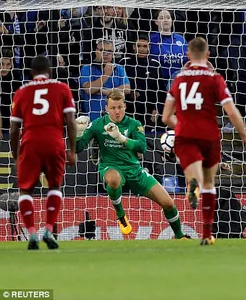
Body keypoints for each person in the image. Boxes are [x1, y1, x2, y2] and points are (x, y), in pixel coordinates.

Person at [161, 37, 246, 246]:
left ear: (187, 56)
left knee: (194, 178)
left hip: (185, 135)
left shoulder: (179, 80)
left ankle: (192, 184)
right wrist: (244, 135)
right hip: (209, 135)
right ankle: (206, 234)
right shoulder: (215, 79)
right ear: (208, 55)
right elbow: (231, 111)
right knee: (210, 184)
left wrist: (182, 126)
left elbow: (166, 117)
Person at [75, 90, 189, 240]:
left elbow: (142, 147)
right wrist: (77, 134)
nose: (117, 111)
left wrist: (121, 138)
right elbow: (78, 148)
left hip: (135, 171)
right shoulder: (97, 125)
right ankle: (121, 215)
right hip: (111, 167)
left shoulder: (134, 124)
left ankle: (179, 236)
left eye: (120, 107)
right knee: (114, 179)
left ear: (125, 106)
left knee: (168, 203)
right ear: (107, 108)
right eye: (113, 108)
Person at [9, 56, 77, 250]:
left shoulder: (22, 91)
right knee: (54, 186)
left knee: (25, 190)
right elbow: (71, 121)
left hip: (31, 142)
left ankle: (31, 233)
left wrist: (16, 154)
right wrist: (72, 149)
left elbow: (14, 129)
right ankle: (48, 229)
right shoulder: (62, 88)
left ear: (31, 73)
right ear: (51, 71)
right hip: (54, 141)